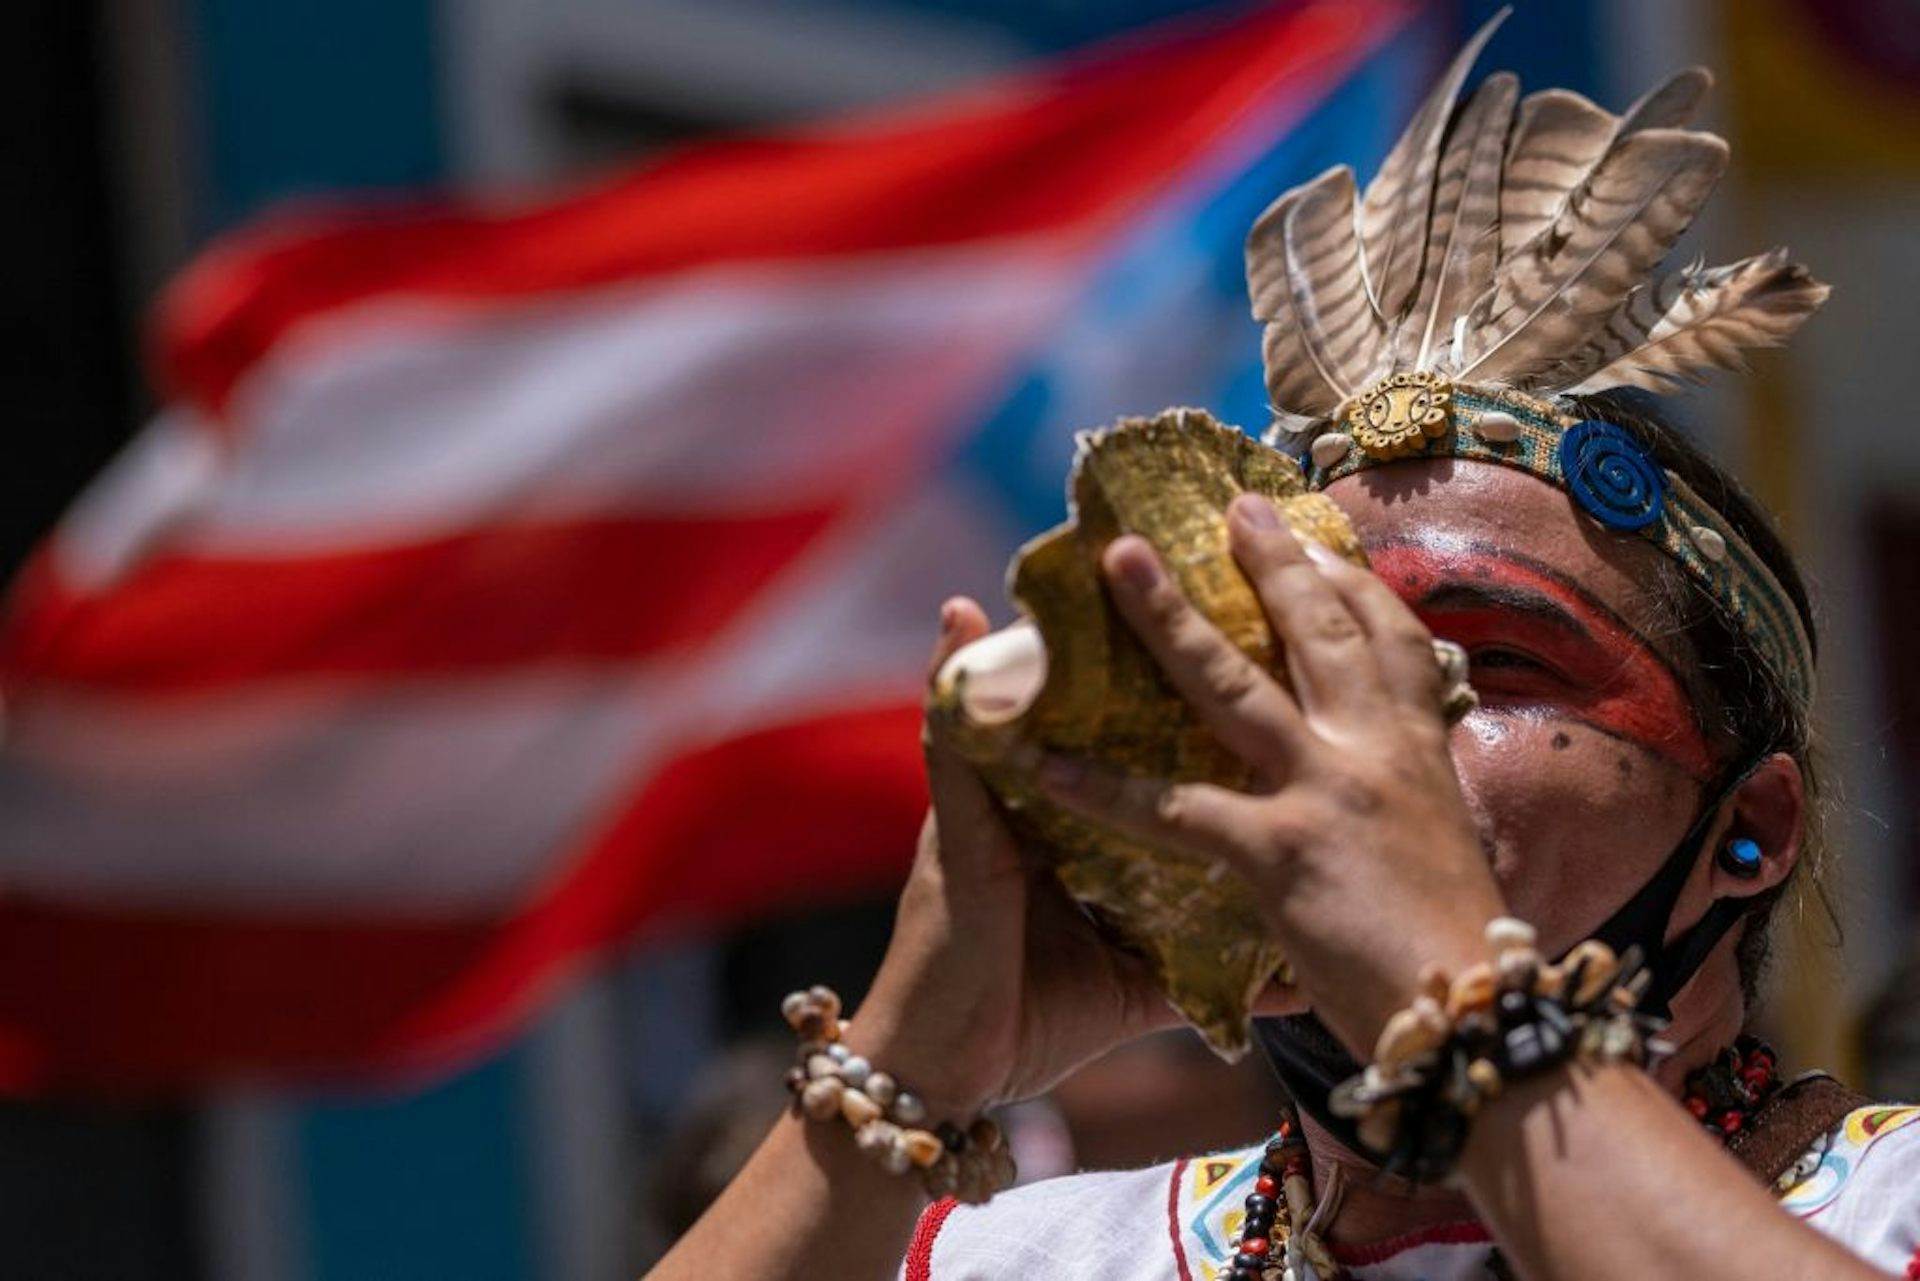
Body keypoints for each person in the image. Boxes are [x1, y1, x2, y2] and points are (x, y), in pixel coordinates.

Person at [648, 21, 1920, 1281]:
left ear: (1749, 832)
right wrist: (911, 1071)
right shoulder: (1029, 1259)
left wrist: (1451, 994)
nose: (1369, 724)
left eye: (1494, 665)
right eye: (1299, 665)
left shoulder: (1888, 1207)